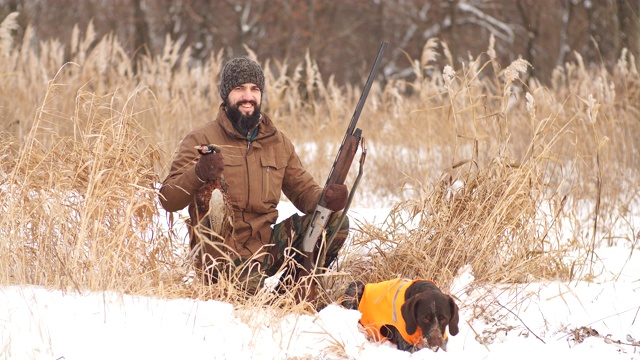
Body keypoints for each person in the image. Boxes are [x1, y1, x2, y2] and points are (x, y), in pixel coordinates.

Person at [159, 57, 350, 297]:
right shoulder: (200, 139)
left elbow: (303, 192)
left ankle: (295, 290)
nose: (248, 96)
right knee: (247, 301)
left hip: (267, 245)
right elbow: (168, 198)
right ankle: (244, 290)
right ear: (226, 94)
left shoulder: (278, 143)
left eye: (254, 89)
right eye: (239, 89)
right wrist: (198, 172)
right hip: (222, 254)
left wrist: (327, 198)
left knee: (334, 223)